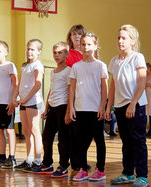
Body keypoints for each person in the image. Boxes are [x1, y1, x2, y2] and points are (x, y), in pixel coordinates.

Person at [105, 25, 149, 187]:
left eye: (124, 38)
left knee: (138, 141)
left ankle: (142, 176)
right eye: (118, 38)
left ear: (133, 41)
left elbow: (142, 81)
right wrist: (109, 106)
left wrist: (133, 103)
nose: (120, 41)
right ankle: (128, 173)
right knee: (126, 142)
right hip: (120, 106)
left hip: (135, 105)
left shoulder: (138, 57)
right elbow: (113, 85)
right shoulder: (114, 60)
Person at [70, 33, 108, 181]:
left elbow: (104, 88)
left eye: (89, 44)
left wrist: (102, 106)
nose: (86, 47)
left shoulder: (100, 65)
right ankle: (83, 169)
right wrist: (71, 107)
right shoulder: (76, 66)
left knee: (99, 140)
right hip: (80, 109)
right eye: (84, 44)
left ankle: (100, 170)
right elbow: (72, 89)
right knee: (80, 141)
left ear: (95, 46)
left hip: (95, 109)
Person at [32, 42, 71, 177]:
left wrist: (69, 110)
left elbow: (71, 90)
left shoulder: (69, 71)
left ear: (66, 54)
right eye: (55, 52)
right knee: (46, 136)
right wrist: (46, 108)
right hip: (53, 107)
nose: (56, 55)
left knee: (63, 138)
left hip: (63, 106)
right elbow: (51, 91)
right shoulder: (53, 72)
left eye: (60, 52)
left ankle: (63, 165)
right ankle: (47, 163)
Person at [14, 39, 44, 172]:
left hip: (32, 101)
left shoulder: (38, 65)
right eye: (28, 49)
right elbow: (20, 82)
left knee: (35, 130)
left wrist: (26, 98)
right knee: (26, 131)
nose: (29, 51)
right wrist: (15, 96)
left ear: (39, 52)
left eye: (32, 49)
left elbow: (38, 84)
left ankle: (38, 161)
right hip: (23, 101)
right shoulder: (25, 65)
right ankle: (29, 160)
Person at [66, 24, 88, 171]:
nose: (77, 36)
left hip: (88, 97)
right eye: (74, 34)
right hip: (73, 95)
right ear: (70, 37)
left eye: (79, 34)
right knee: (75, 132)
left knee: (87, 132)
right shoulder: (68, 54)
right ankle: (76, 161)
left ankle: (82, 158)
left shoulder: (89, 54)